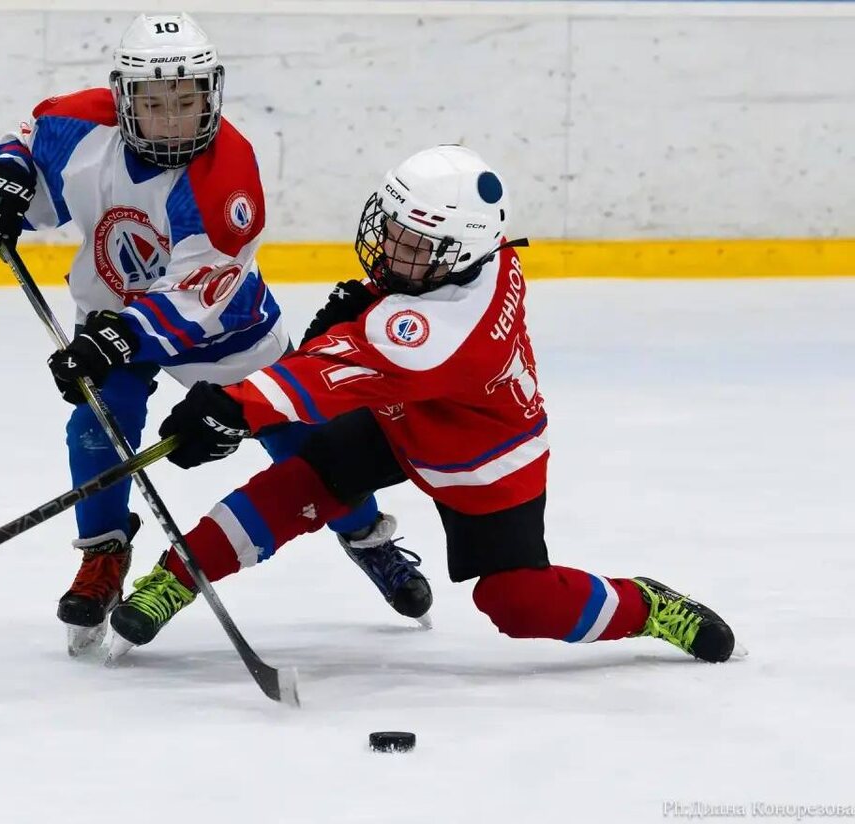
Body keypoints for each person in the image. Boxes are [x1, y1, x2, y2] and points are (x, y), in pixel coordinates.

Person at [106, 144, 738, 665]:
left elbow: (328, 377)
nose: (389, 247)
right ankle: (176, 577)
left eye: (411, 244)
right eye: (393, 228)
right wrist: (361, 313)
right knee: (304, 480)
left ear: (457, 253)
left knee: (518, 604)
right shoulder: (482, 256)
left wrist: (231, 407)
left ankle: (647, 605)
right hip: (404, 417)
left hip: (482, 460)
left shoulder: (440, 336)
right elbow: (374, 340)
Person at [0, 12, 431, 655]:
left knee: (304, 445)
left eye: (186, 102)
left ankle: (366, 535)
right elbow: (28, 142)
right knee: (97, 424)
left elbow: (190, 302)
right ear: (126, 100)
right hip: (112, 306)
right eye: (155, 105)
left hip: (223, 330)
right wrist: (2, 179)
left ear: (211, 95)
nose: (173, 120)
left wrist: (112, 341)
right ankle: (103, 558)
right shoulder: (80, 123)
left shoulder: (227, 179)